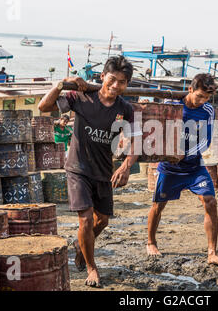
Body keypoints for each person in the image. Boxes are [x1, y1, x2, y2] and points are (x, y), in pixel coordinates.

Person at [38, 56, 139, 288]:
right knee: (85, 220)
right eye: (112, 80)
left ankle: (79, 244)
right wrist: (62, 83)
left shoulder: (125, 109)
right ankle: (92, 267)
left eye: (122, 83)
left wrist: (125, 166)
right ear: (103, 76)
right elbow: (43, 107)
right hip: (78, 168)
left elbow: (135, 142)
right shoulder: (81, 97)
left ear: (126, 85)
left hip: (103, 171)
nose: (115, 86)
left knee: (101, 220)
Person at [147, 73, 218, 267]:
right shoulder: (171, 105)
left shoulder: (207, 110)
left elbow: (207, 140)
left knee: (210, 202)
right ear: (190, 90)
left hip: (194, 166)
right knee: (158, 205)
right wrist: (169, 151)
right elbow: (156, 129)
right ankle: (151, 242)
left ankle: (212, 253)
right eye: (200, 96)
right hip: (169, 167)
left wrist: (185, 153)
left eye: (207, 98)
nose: (203, 101)